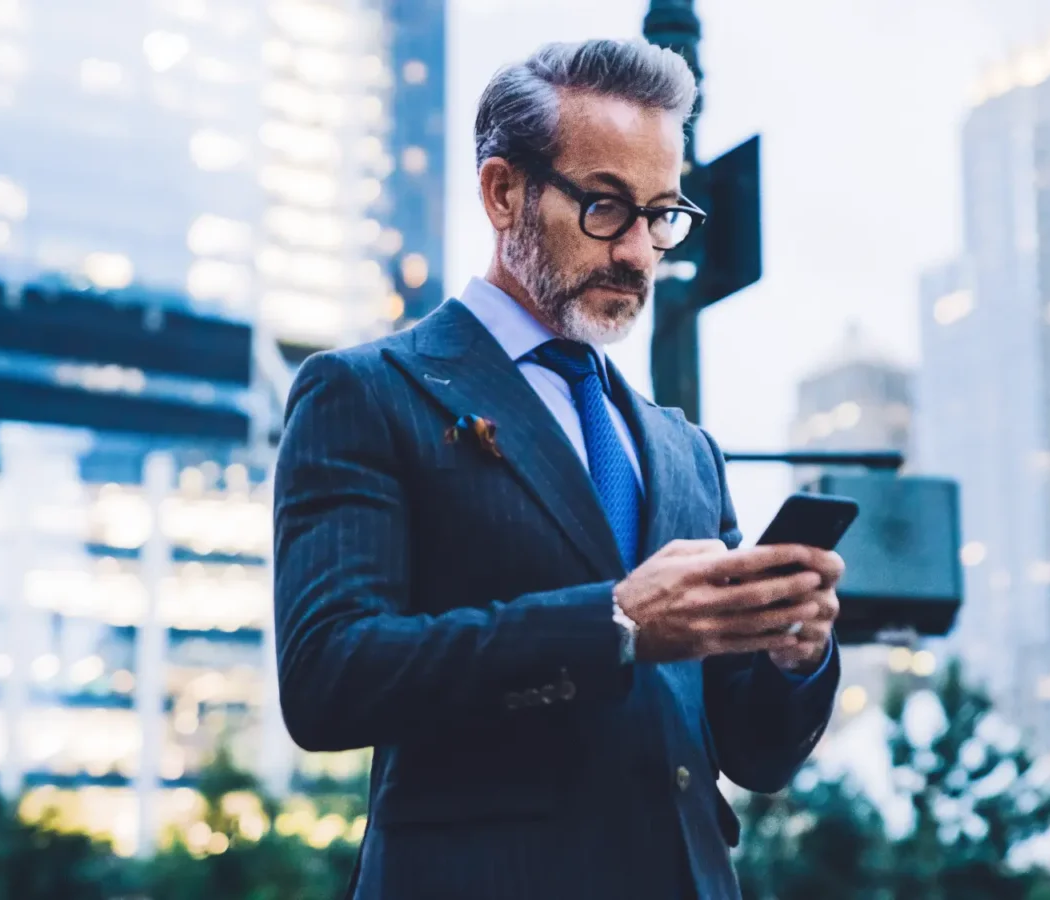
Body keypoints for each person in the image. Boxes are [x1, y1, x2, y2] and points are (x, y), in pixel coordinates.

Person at [272, 38, 843, 900]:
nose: (641, 252)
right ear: (505, 192)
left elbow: (753, 751)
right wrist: (611, 623)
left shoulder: (686, 451)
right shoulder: (366, 393)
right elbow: (329, 677)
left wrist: (794, 654)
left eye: (662, 214)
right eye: (606, 207)